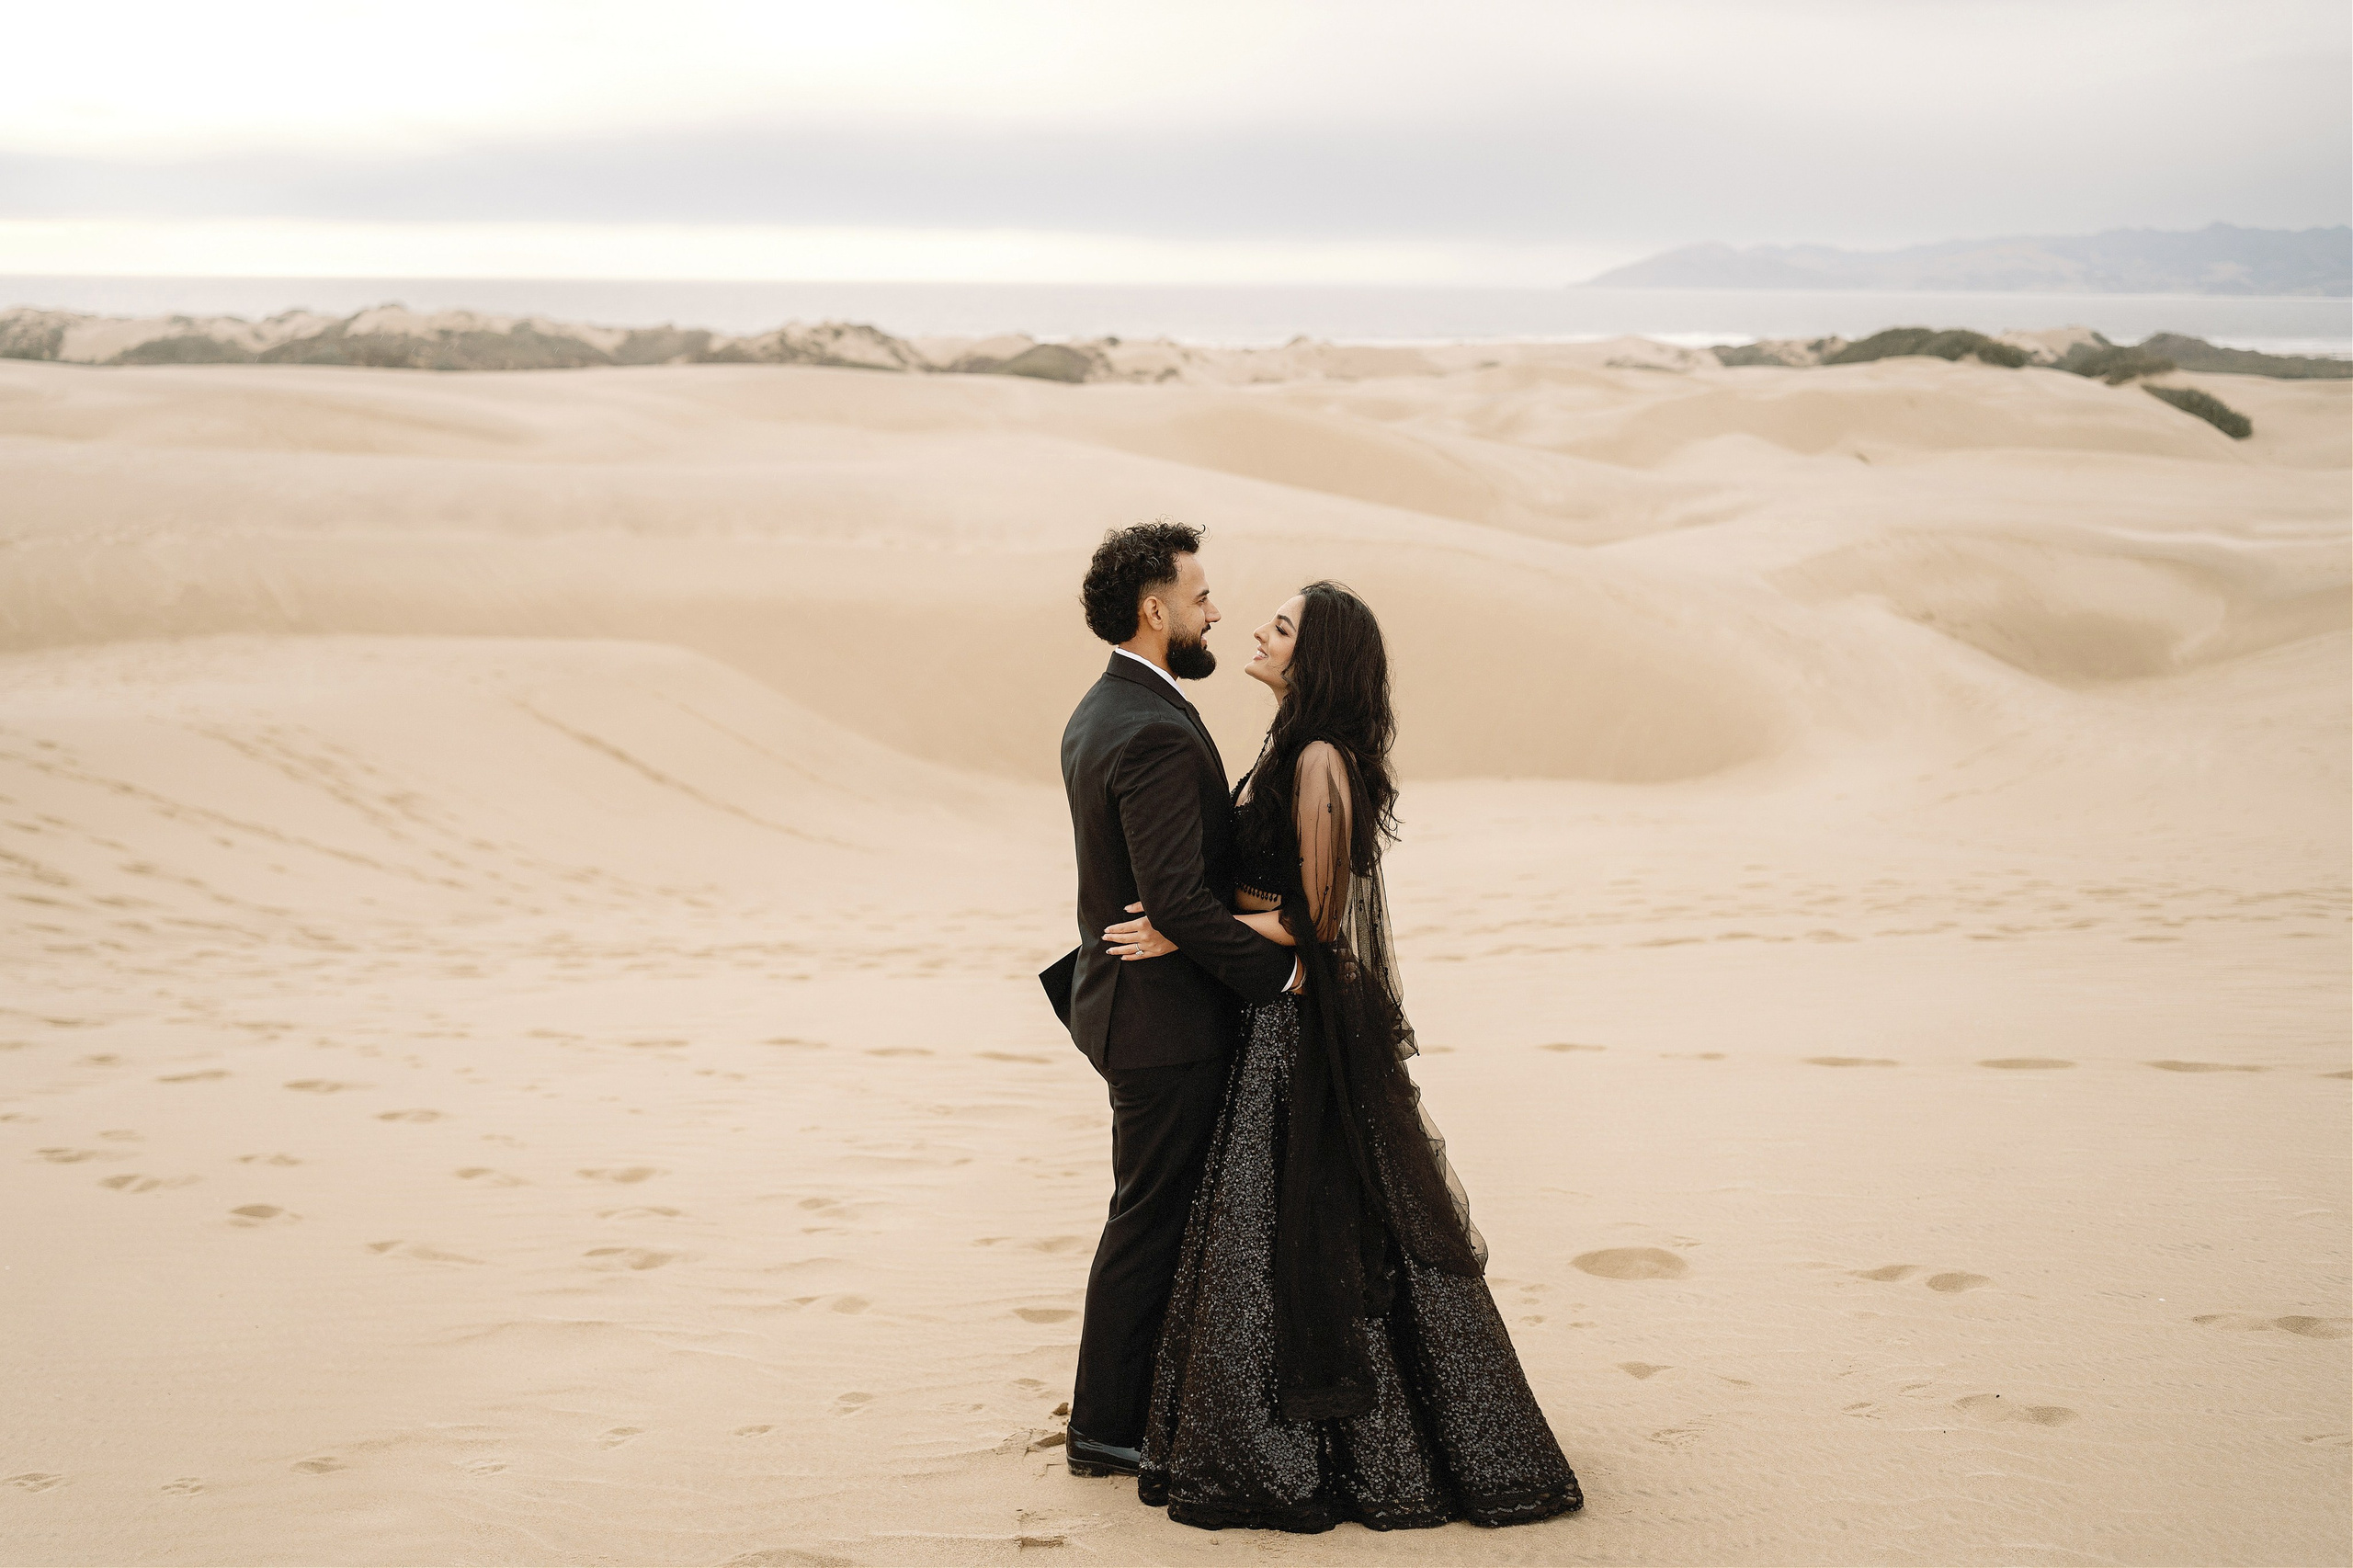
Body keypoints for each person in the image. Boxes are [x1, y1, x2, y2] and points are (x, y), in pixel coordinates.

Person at [1099, 581, 1585, 1533]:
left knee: (1318, 1227)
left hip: (1300, 1027)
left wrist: (1183, 929)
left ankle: (1366, 1444)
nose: (1258, 631)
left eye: (1279, 628)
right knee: (1272, 1229)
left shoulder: (1319, 757)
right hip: (1267, 1019)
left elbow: (1314, 920)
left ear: (1312, 657)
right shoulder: (1288, 747)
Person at [1044, 520, 1302, 1480]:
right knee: (1150, 1216)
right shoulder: (1148, 724)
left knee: (1148, 1211)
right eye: (1200, 598)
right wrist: (1281, 974)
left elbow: (1172, 895)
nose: (1216, 611)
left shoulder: (1104, 706)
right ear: (1155, 611)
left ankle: (1130, 1403)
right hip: (1159, 1020)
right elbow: (1180, 900)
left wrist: (1183, 914)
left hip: (1134, 1006)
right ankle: (1108, 1426)